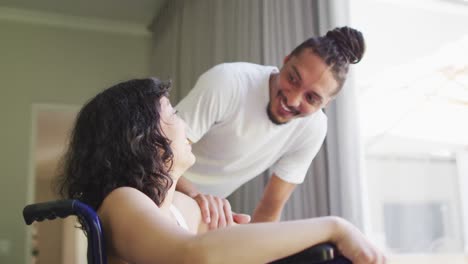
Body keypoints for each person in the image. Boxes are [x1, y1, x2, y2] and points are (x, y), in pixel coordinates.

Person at [56, 78, 385, 264]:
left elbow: (232, 243)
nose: (184, 123)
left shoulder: (181, 210)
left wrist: (236, 236)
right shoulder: (122, 201)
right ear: (141, 136)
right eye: (172, 114)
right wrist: (334, 226)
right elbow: (194, 256)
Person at [175, 26, 365, 227]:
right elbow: (160, 153)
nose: (292, 100)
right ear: (285, 60)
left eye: (311, 98)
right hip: (153, 183)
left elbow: (268, 210)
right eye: (292, 78)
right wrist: (195, 196)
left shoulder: (313, 129)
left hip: (199, 209)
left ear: (326, 104)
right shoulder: (228, 81)